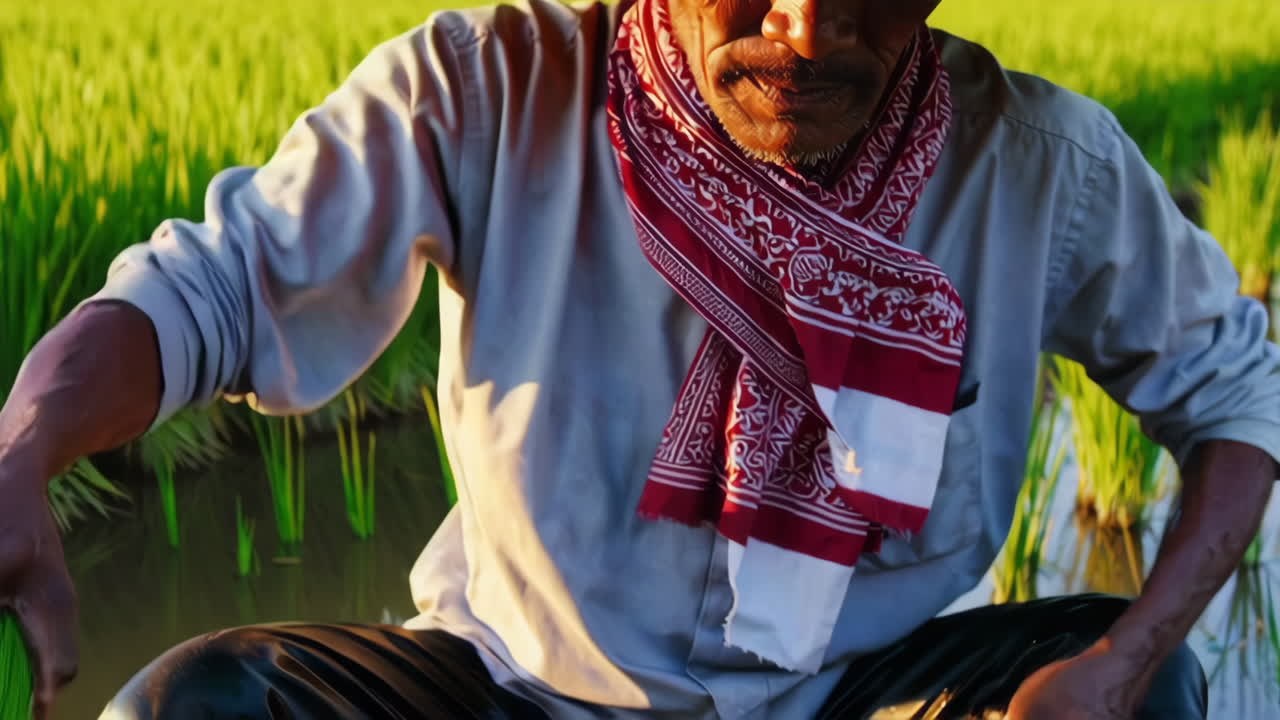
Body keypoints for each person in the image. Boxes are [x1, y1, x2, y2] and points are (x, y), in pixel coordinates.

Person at [0, 0, 1276, 716]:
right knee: (196, 710)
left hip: (851, 692)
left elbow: (1237, 391)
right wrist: (28, 445)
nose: (805, 26)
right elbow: (213, 288)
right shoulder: (491, 91)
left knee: (1143, 696)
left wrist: (1122, 659)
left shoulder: (1035, 167)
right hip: (515, 686)